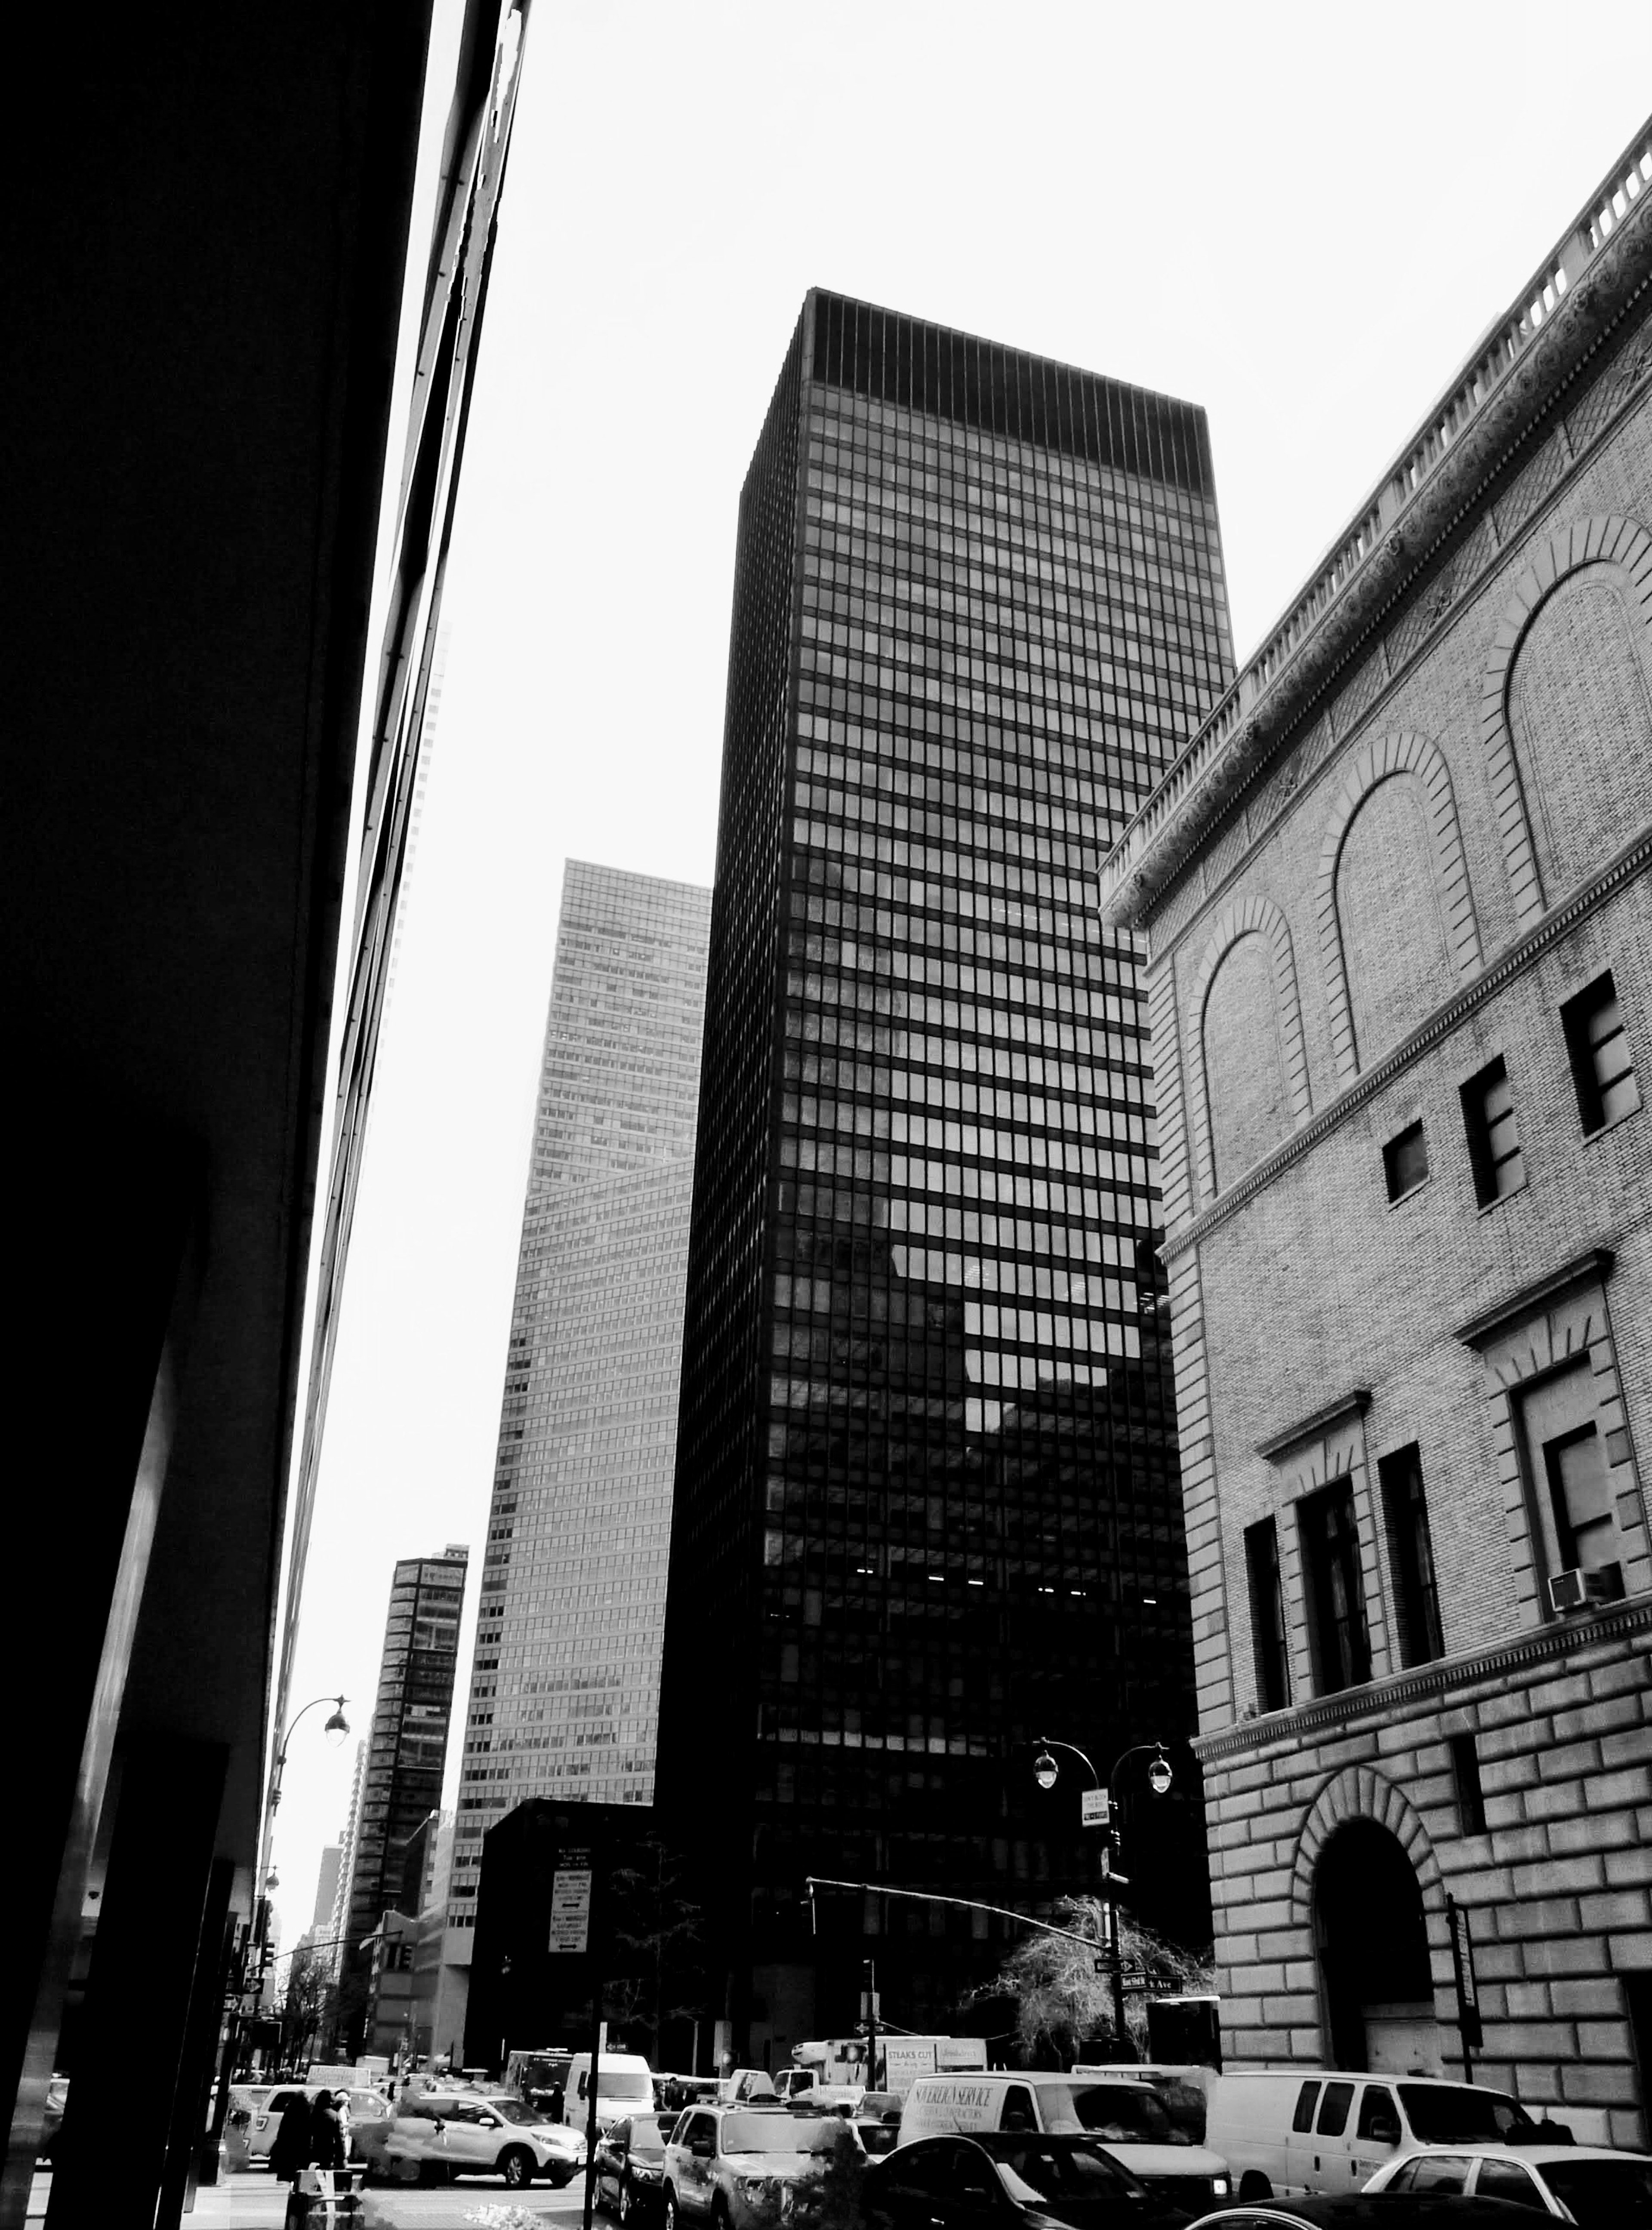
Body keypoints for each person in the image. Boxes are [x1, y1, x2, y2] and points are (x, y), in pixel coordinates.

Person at [267, 2091, 313, 2184]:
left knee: (287, 2159)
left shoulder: (290, 2106)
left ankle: (284, 2177)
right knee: (298, 2160)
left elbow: (284, 2124)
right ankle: (296, 2180)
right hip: (300, 2138)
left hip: (287, 2138)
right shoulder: (307, 2107)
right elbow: (307, 2125)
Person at [308, 2091, 348, 2173]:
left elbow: (308, 2133)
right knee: (326, 2173)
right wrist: (342, 2157)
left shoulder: (313, 2114)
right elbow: (338, 2138)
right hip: (328, 2149)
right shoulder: (334, 2115)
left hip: (315, 2148)